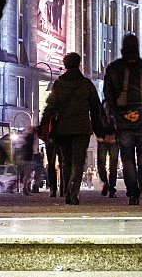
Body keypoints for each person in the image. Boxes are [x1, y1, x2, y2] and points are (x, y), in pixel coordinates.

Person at [37, 53, 104, 205]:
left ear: (65, 65)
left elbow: (51, 106)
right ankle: (74, 193)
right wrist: (98, 129)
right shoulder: (86, 84)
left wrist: (43, 125)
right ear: (79, 64)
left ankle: (67, 190)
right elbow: (95, 108)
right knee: (78, 162)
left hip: (63, 128)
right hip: (82, 128)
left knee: (66, 161)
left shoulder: (59, 83)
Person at [103, 33, 142, 206]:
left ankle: (133, 194)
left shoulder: (114, 68)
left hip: (123, 118)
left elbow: (108, 95)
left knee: (127, 157)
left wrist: (118, 113)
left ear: (122, 48)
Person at [96, 100, 119, 198]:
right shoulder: (115, 106)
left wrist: (99, 134)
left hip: (103, 138)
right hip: (112, 138)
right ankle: (111, 187)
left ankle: (106, 182)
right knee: (113, 164)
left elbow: (96, 121)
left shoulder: (101, 107)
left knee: (102, 162)